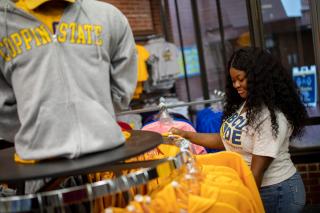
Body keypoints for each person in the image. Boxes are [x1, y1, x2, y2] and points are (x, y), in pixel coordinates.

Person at [170, 47, 307, 213]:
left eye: (240, 79)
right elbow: (226, 140)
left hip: (277, 192)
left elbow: (257, 171)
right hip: (257, 187)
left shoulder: (271, 116)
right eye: (233, 80)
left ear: (258, 78)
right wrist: (187, 134)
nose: (236, 85)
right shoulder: (247, 103)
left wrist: (242, 202)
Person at [0, 0, 137, 160]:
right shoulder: (4, 23)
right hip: (40, 164)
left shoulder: (108, 17)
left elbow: (122, 86)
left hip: (108, 154)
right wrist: (36, 131)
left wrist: (98, 117)